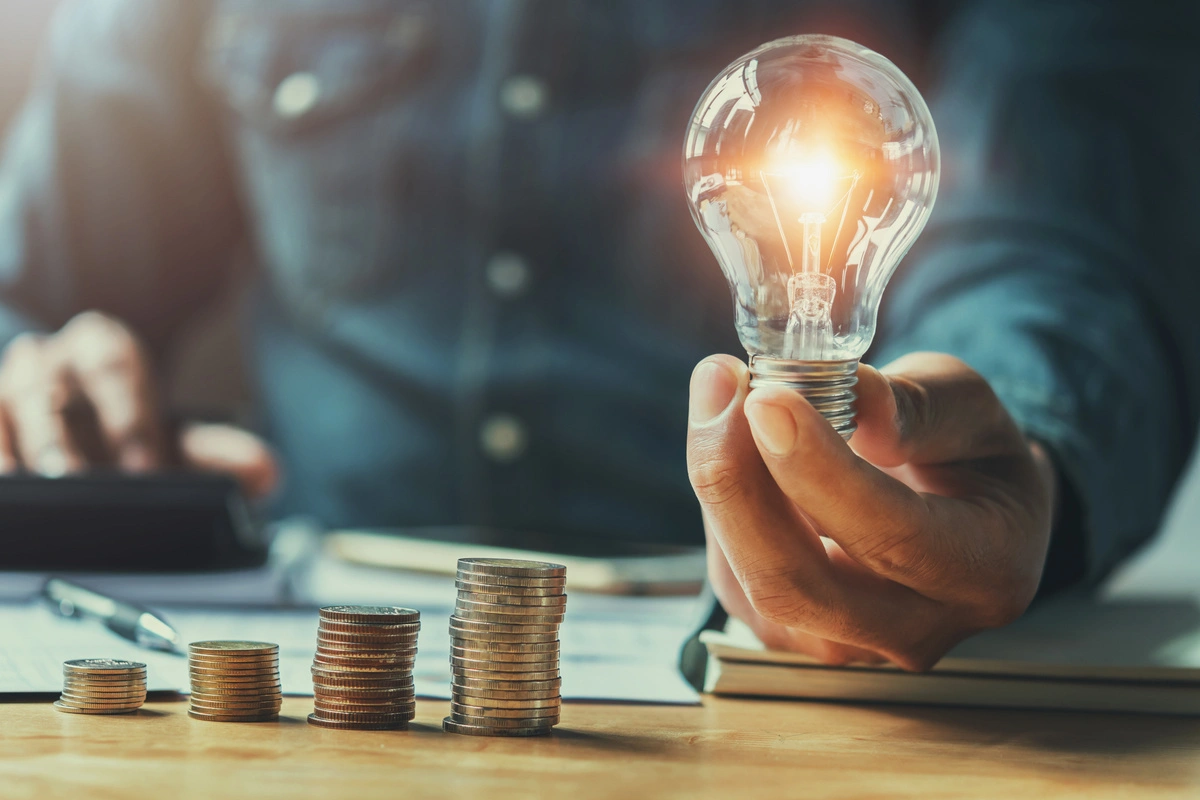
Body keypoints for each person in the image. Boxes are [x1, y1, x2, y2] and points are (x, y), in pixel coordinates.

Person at [1, 0, 1198, 670]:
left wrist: (1015, 441)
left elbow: (1061, 233)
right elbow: (34, 282)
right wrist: (33, 375)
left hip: (767, 661)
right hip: (329, 645)